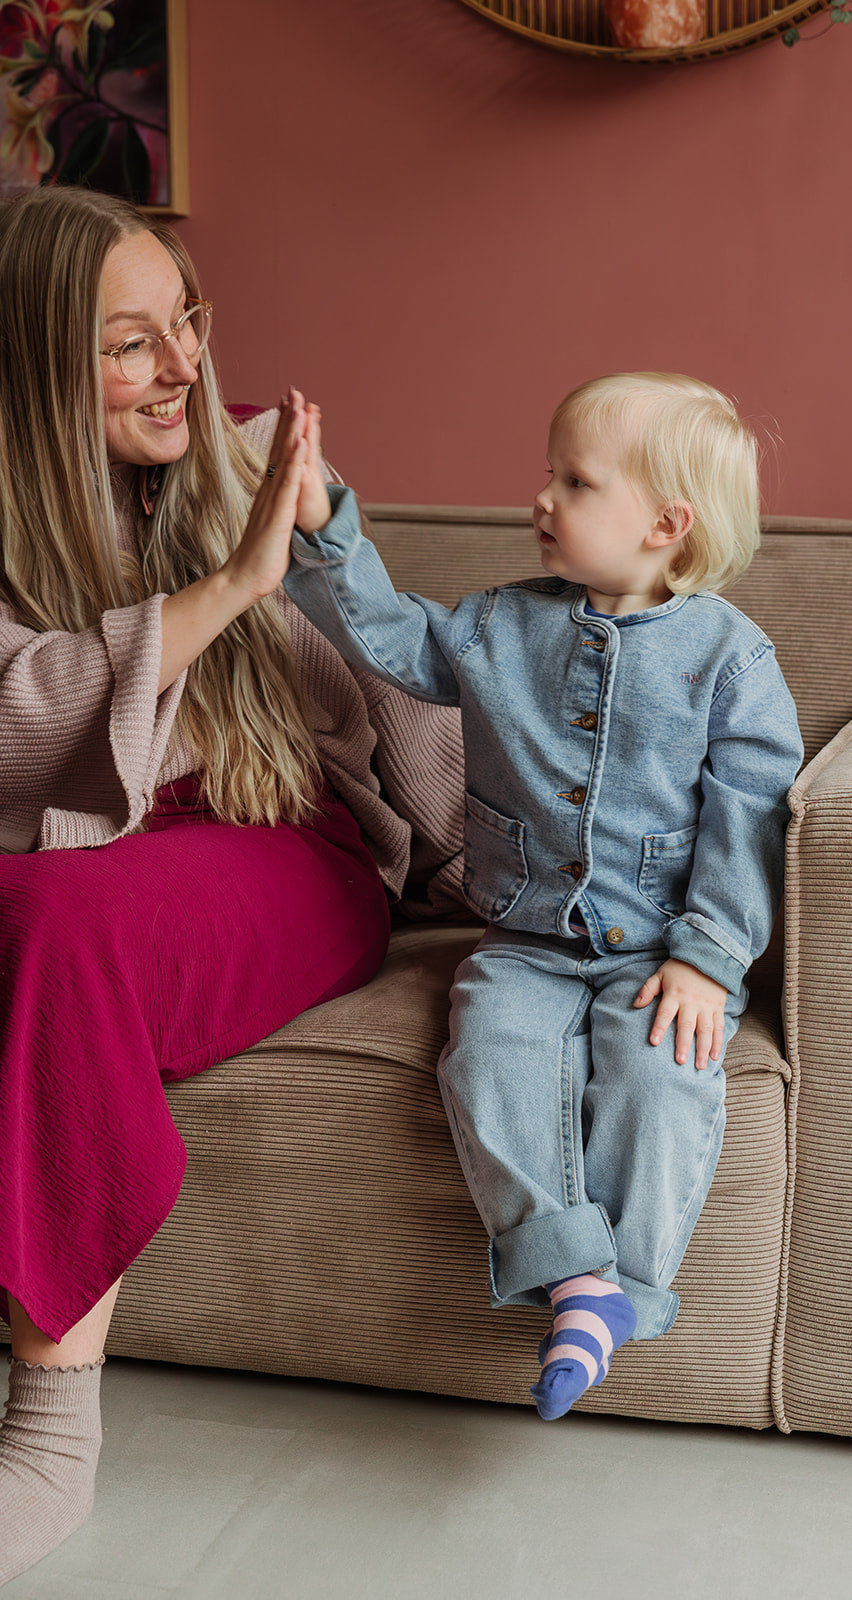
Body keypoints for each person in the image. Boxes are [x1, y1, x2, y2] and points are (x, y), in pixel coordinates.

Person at [0, 185, 413, 1586]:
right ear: (36, 365)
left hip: (282, 843)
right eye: (128, 345)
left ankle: (51, 1432)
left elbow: (409, 680)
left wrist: (294, 556)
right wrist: (234, 580)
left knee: (52, 919)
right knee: (41, 909)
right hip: (87, 865)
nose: (181, 368)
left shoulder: (245, 466)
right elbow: (17, 720)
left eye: (185, 324)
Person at [281, 371, 805, 1421]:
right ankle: (574, 1274)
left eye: (575, 480)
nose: (542, 498)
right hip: (521, 938)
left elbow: (747, 818)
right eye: (548, 473)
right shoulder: (496, 626)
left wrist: (706, 959)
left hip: (659, 948)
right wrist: (322, 520)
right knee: (487, 1053)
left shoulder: (729, 661)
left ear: (664, 523)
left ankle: (625, 1285)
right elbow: (384, 634)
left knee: (662, 1079)